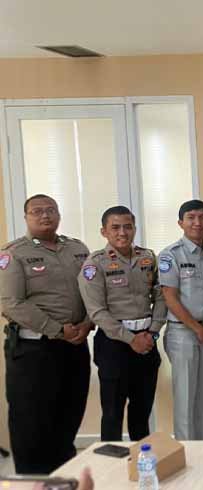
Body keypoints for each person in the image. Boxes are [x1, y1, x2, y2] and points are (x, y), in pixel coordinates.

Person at [0, 194, 93, 473]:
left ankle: (63, 478)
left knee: (68, 416)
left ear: (59, 214)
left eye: (51, 210)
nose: (45, 215)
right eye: (37, 211)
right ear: (26, 217)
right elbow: (11, 303)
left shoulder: (77, 249)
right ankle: (33, 482)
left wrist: (87, 323)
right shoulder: (13, 253)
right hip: (34, 352)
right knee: (32, 424)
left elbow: (94, 291)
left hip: (74, 345)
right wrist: (57, 330)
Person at [78, 206, 166, 441]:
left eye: (128, 226)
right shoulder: (95, 264)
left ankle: (142, 458)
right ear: (104, 231)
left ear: (135, 228)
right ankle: (111, 460)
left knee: (142, 412)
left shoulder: (147, 257)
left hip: (146, 340)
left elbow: (160, 296)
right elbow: (96, 311)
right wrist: (130, 339)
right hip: (114, 344)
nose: (122, 232)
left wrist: (153, 332)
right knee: (112, 414)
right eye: (115, 227)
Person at [159, 199, 203, 440]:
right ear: (181, 223)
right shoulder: (170, 255)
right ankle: (187, 451)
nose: (197, 222)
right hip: (183, 334)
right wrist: (197, 328)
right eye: (191, 218)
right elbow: (170, 297)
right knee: (185, 399)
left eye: (202, 217)